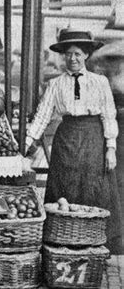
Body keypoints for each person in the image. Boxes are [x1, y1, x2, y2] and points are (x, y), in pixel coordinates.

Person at [25, 29, 121, 253]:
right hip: (66, 138)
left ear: (86, 55)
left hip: (93, 138)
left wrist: (110, 148)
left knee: (93, 188)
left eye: (77, 53)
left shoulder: (100, 82)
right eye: (68, 54)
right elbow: (42, 115)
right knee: (64, 188)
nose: (73, 59)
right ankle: (63, 241)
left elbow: (108, 114)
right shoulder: (56, 84)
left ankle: (95, 244)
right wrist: (27, 142)